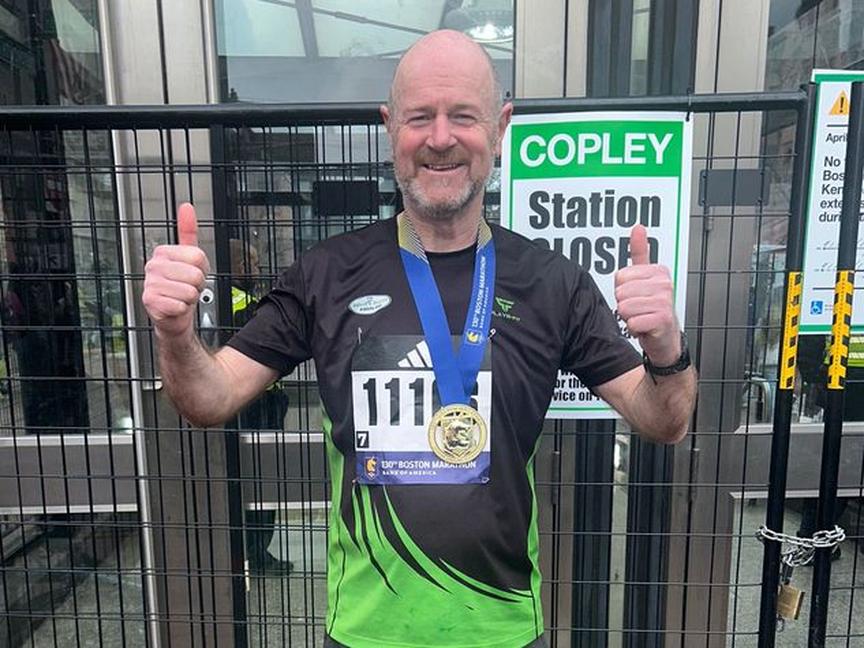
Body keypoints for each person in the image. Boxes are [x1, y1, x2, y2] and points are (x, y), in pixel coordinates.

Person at [142, 30, 696, 648]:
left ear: (500, 128)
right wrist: (176, 333)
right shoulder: (327, 273)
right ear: (390, 128)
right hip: (367, 634)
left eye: (463, 116)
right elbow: (210, 397)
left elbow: (663, 419)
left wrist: (665, 348)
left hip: (502, 630)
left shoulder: (551, 282)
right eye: (419, 117)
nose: (440, 138)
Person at [227, 238, 293, 575]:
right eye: (251, 264)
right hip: (258, 404)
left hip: (247, 402)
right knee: (263, 475)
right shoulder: (244, 307)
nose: (256, 269)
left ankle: (247, 551)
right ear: (238, 266)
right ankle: (256, 553)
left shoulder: (230, 302)